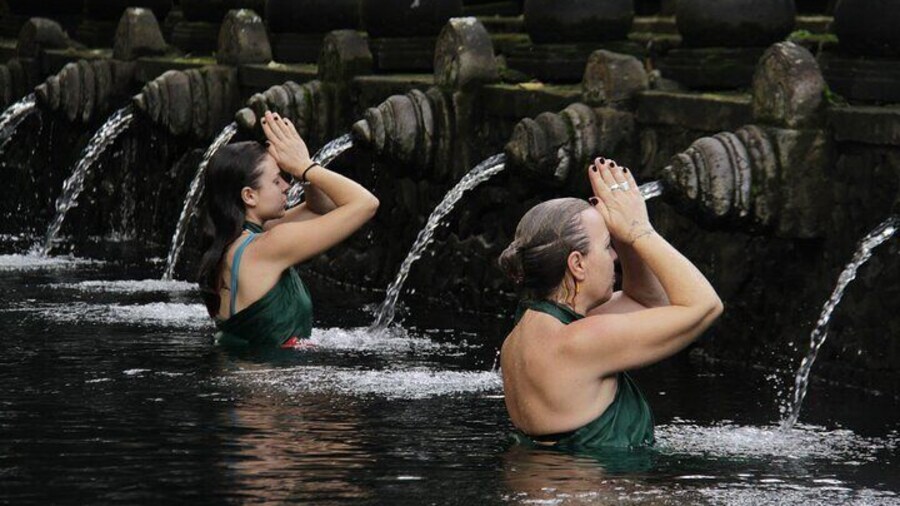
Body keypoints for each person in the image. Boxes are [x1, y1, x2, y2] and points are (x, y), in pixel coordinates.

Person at [498, 157, 723, 449]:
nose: (614, 256)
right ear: (577, 264)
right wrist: (640, 230)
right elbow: (705, 306)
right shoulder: (580, 341)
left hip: (562, 485)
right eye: (607, 247)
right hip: (597, 491)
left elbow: (647, 302)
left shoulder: (530, 330)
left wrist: (623, 236)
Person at [197, 110, 379, 350]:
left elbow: (319, 208)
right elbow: (365, 204)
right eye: (276, 180)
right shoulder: (269, 244)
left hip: (247, 380)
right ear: (249, 196)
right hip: (268, 385)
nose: (287, 186)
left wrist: (300, 173)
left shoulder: (238, 242)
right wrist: (305, 166)